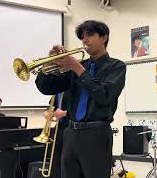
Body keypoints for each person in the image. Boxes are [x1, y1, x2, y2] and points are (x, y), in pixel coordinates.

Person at [35, 20, 126, 178]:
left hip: (96, 133)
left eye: (90, 35)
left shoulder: (116, 66)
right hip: (70, 134)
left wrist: (77, 67)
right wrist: (48, 64)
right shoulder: (76, 66)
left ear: (104, 37)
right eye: (82, 37)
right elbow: (47, 88)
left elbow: (103, 95)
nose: (84, 40)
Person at [42, 92, 69, 178]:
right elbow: (52, 106)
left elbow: (84, 109)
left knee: (68, 161)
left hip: (73, 128)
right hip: (60, 128)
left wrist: (64, 113)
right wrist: (47, 112)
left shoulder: (76, 86)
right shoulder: (59, 89)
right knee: (55, 159)